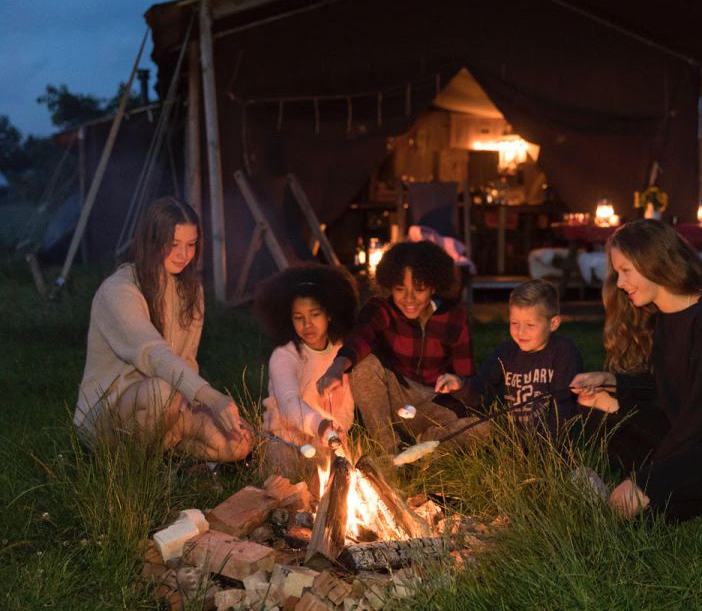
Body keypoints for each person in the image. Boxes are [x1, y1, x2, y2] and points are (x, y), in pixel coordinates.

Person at [570, 219, 702, 524]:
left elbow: (701, 411)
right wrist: (611, 382)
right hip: (699, 435)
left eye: (625, 271)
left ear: (654, 262)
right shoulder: (666, 319)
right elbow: (667, 386)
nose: (619, 283)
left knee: (633, 506)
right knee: (601, 407)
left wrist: (650, 476)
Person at [74, 197, 252, 461]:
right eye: (173, 245)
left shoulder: (190, 291)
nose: (183, 255)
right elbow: (154, 354)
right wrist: (213, 399)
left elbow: (187, 361)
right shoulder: (119, 290)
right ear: (152, 243)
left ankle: (166, 450)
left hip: (170, 405)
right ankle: (131, 476)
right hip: (109, 413)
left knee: (237, 444)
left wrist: (202, 408)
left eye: (190, 245)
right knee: (161, 392)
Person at [315, 241, 479, 454]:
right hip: (393, 402)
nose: (409, 299)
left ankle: (423, 448)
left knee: (481, 429)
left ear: (433, 287)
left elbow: (470, 384)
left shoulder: (454, 317)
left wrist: (458, 383)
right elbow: (359, 339)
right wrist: (336, 368)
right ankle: (390, 453)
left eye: (419, 290)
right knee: (364, 364)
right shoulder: (381, 309)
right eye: (400, 289)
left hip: (434, 404)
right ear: (390, 286)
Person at [438, 279, 582, 436]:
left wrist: (548, 450)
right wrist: (460, 385)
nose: (520, 332)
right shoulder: (506, 352)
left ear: (553, 323)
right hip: (513, 438)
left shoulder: (564, 352)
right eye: (514, 323)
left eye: (530, 325)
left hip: (552, 441)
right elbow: (484, 387)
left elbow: (564, 405)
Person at [252, 264, 358, 475]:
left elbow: (346, 405)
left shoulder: (340, 352)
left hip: (328, 442)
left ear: (329, 314)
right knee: (287, 489)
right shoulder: (284, 356)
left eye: (315, 314)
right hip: (285, 443)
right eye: (298, 317)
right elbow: (289, 403)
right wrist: (320, 425)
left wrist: (337, 429)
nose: (307, 324)